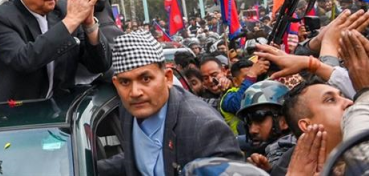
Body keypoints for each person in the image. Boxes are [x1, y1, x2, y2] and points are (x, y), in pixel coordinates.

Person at [97, 32, 242, 175]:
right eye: (125, 82)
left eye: (146, 79)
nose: (135, 92)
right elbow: (141, 157)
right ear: (116, 84)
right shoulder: (128, 109)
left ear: (167, 78)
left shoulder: (204, 127)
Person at [237, 80, 294, 173]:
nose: (252, 130)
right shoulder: (262, 150)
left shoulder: (288, 155)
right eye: (248, 121)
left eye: (259, 118)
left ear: (284, 121)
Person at [219, 58, 270, 135]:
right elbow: (239, 104)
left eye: (255, 75)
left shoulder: (260, 89)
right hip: (239, 143)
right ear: (235, 81)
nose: (253, 79)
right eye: (246, 77)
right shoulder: (229, 97)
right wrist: (252, 74)